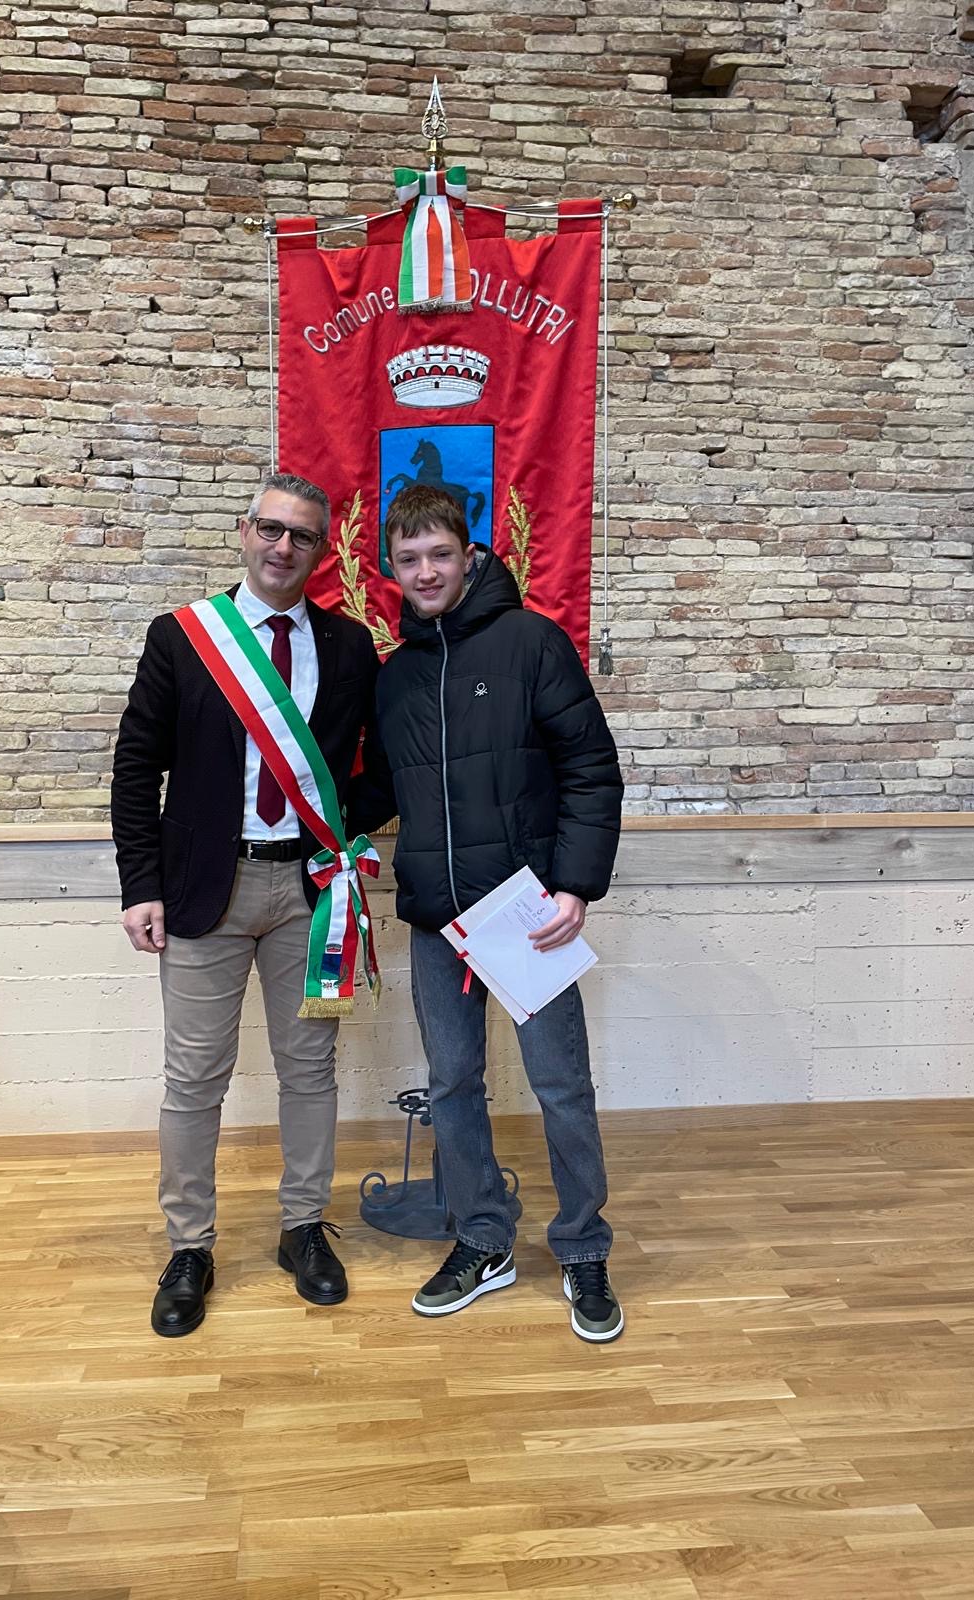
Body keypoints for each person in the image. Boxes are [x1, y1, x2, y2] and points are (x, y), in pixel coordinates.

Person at [111, 471, 389, 1337]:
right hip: (204, 890)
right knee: (194, 1079)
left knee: (310, 1070)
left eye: (301, 535)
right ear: (243, 532)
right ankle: (189, 1246)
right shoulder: (183, 637)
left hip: (310, 892)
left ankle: (303, 1226)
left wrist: (342, 833)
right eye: (270, 529)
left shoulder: (349, 646)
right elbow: (135, 766)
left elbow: (380, 764)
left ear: (321, 550)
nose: (282, 547)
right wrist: (140, 884)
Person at [374, 484, 625, 1343]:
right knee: (452, 1085)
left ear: (470, 555)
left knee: (561, 1086)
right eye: (408, 559)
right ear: (392, 569)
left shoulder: (531, 643)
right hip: (437, 923)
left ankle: (583, 1245)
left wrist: (575, 885)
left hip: (525, 916)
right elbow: (381, 788)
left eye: (439, 554)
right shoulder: (396, 676)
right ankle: (484, 1239)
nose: (426, 572)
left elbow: (591, 769)